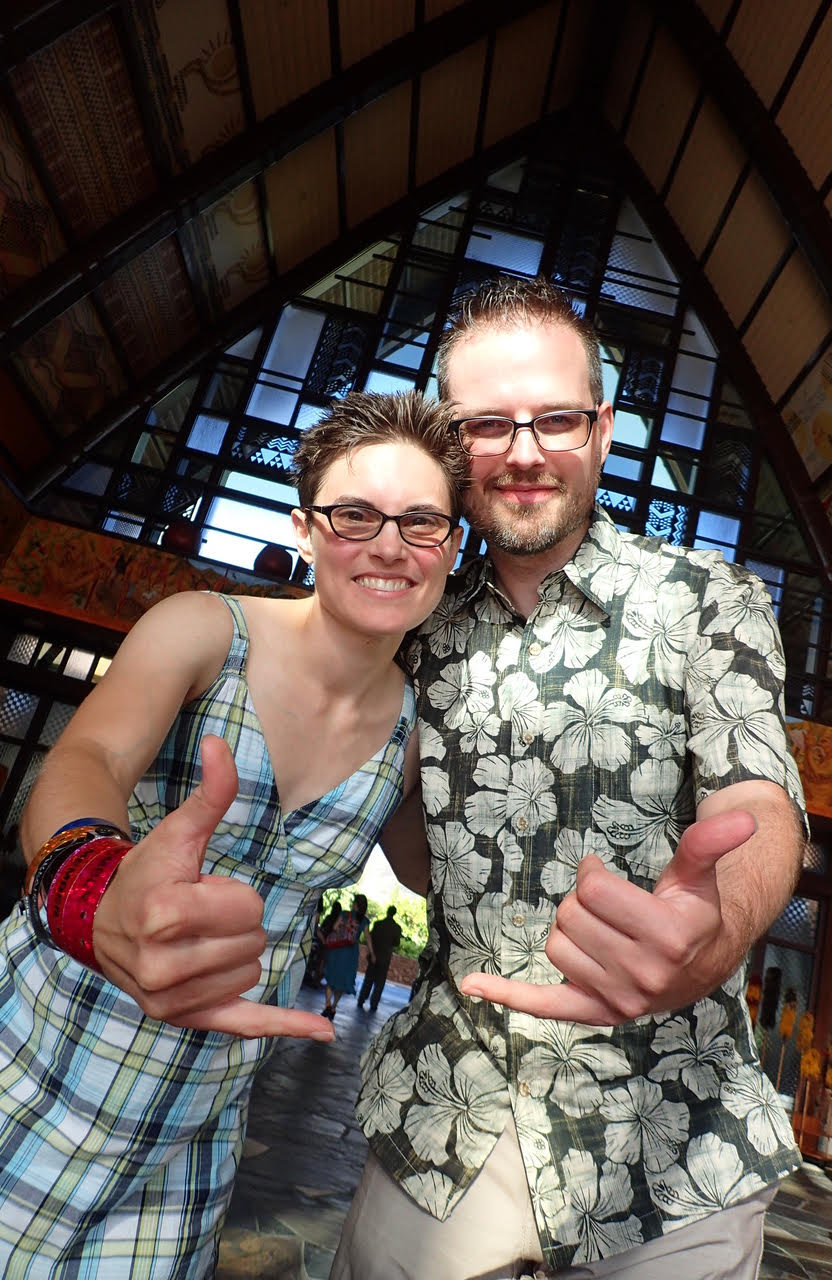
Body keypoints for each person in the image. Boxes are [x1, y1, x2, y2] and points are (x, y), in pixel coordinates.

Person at [335, 277, 808, 1279]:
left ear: (599, 429)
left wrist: (714, 930)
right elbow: (418, 861)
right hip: (446, 1117)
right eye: (485, 425)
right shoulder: (411, 624)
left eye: (554, 417)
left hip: (672, 1133)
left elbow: (757, 800)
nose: (521, 450)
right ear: (448, 444)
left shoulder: (704, 598)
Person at [0, 389, 465, 1279]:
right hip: (33, 1064)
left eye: (421, 522)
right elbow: (87, 756)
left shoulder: (417, 743)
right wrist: (92, 881)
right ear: (303, 529)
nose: (387, 545)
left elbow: (446, 880)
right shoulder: (205, 629)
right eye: (354, 514)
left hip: (186, 1135)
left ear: (450, 548)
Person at [322, 891, 373, 1019]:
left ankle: (327, 1004)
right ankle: (333, 1007)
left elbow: (334, 927)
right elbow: (368, 938)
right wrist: (372, 953)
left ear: (355, 904)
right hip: (351, 953)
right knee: (343, 982)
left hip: (338, 950)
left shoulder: (345, 914)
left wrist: (340, 931)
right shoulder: (364, 921)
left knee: (331, 977)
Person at [358, 904, 403, 1012]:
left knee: (368, 979)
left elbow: (371, 937)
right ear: (394, 913)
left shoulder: (378, 924)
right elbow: (396, 943)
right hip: (385, 958)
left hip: (374, 956)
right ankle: (374, 1004)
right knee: (379, 983)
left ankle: (361, 999)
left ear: (387, 912)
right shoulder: (396, 928)